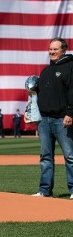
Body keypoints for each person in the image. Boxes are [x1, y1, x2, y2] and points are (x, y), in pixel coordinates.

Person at [28, 38, 73, 198]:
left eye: (55, 49)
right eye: (50, 49)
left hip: (62, 119)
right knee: (45, 157)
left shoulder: (70, 67)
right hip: (44, 120)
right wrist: (32, 111)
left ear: (64, 50)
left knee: (70, 156)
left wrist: (70, 113)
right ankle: (44, 190)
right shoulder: (46, 71)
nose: (52, 52)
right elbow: (37, 95)